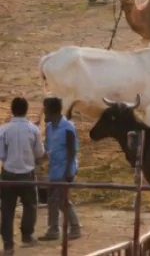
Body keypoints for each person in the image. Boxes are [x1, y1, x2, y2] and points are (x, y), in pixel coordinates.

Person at [0, 97, 44, 254]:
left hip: (8, 175)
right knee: (30, 206)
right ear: (26, 110)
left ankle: (8, 245)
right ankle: (26, 236)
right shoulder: (33, 130)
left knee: (7, 210)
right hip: (27, 175)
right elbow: (39, 153)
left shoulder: (4, 129)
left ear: (12, 110)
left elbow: (2, 154)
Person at [38, 98, 81, 243]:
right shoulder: (50, 127)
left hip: (64, 169)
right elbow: (49, 149)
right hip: (54, 169)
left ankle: (72, 228)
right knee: (54, 200)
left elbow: (72, 151)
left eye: (45, 109)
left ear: (52, 110)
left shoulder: (68, 127)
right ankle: (55, 230)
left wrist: (68, 171)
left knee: (60, 200)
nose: (44, 112)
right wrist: (40, 160)